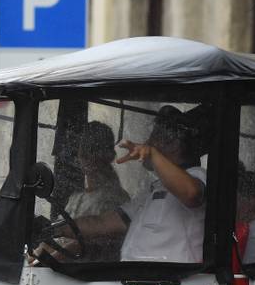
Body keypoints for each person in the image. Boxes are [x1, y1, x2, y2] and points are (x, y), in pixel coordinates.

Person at [45, 104, 211, 264]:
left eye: (153, 138)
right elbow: (102, 223)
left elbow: (191, 193)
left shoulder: (197, 175)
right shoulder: (153, 191)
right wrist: (55, 229)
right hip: (137, 277)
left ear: (174, 145)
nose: (147, 143)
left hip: (172, 280)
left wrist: (153, 154)